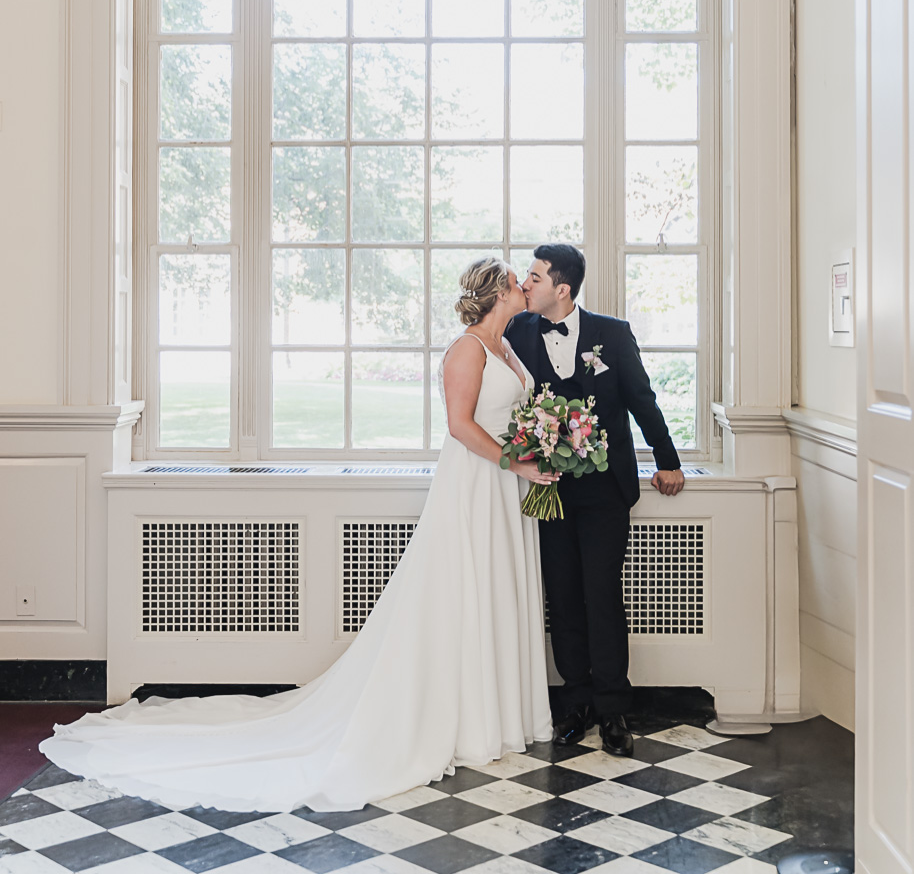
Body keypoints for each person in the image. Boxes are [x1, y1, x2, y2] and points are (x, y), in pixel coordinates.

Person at [39, 258, 556, 814]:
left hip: (508, 490)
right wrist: (515, 462)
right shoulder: (468, 349)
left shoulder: (508, 346)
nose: (525, 286)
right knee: (464, 597)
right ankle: (463, 719)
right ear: (499, 291)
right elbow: (459, 425)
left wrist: (534, 451)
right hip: (477, 488)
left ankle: (501, 712)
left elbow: (513, 411)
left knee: (498, 593)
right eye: (517, 280)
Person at [506, 243, 685, 759]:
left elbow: (641, 400)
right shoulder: (518, 331)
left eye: (534, 277)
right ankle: (575, 704)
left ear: (561, 288)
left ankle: (612, 710)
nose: (526, 284)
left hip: (606, 490)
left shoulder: (612, 333)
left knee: (602, 595)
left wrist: (667, 461)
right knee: (561, 598)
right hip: (548, 489)